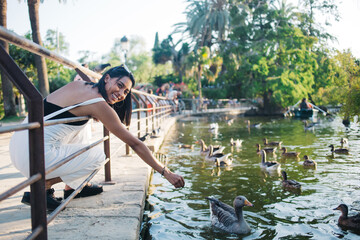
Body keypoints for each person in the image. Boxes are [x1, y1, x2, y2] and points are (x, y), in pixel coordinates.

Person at [9, 65, 185, 211]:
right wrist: (166, 172)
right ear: (107, 78)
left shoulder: (81, 87)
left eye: (126, 91)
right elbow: (135, 143)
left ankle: (75, 187)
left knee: (83, 129)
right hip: (34, 157)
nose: (121, 94)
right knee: (98, 157)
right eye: (120, 85)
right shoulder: (97, 104)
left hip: (20, 146)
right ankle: (41, 188)